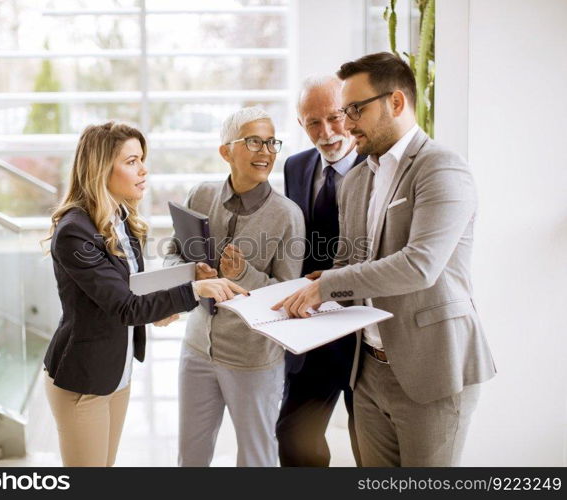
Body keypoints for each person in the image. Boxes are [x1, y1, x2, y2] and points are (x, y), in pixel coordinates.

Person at [273, 52, 496, 466]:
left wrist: (326, 285)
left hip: (431, 368)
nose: (347, 122)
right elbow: (351, 260)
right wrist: (311, 286)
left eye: (355, 109)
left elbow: (419, 266)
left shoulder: (441, 168)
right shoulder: (359, 177)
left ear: (395, 103)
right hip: (369, 369)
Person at [42, 121, 247, 467]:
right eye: (132, 161)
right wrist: (194, 290)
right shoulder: (74, 232)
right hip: (83, 382)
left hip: (115, 372)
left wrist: (184, 279)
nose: (143, 169)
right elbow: (124, 306)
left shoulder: (120, 220)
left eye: (142, 159)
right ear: (101, 167)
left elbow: (127, 287)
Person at [165, 107, 305, 467]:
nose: (266, 151)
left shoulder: (288, 215)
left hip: (252, 359)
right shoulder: (200, 194)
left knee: (257, 459)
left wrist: (244, 274)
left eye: (271, 142)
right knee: (190, 457)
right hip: (198, 348)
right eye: (254, 141)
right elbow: (172, 252)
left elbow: (290, 296)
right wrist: (188, 272)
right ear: (226, 151)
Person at [276, 75, 365, 467]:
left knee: (369, 444)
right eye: (313, 122)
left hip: (365, 327)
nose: (326, 132)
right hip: (312, 328)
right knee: (294, 434)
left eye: (334, 118)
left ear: (351, 113)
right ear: (300, 124)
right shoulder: (296, 166)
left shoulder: (379, 163)